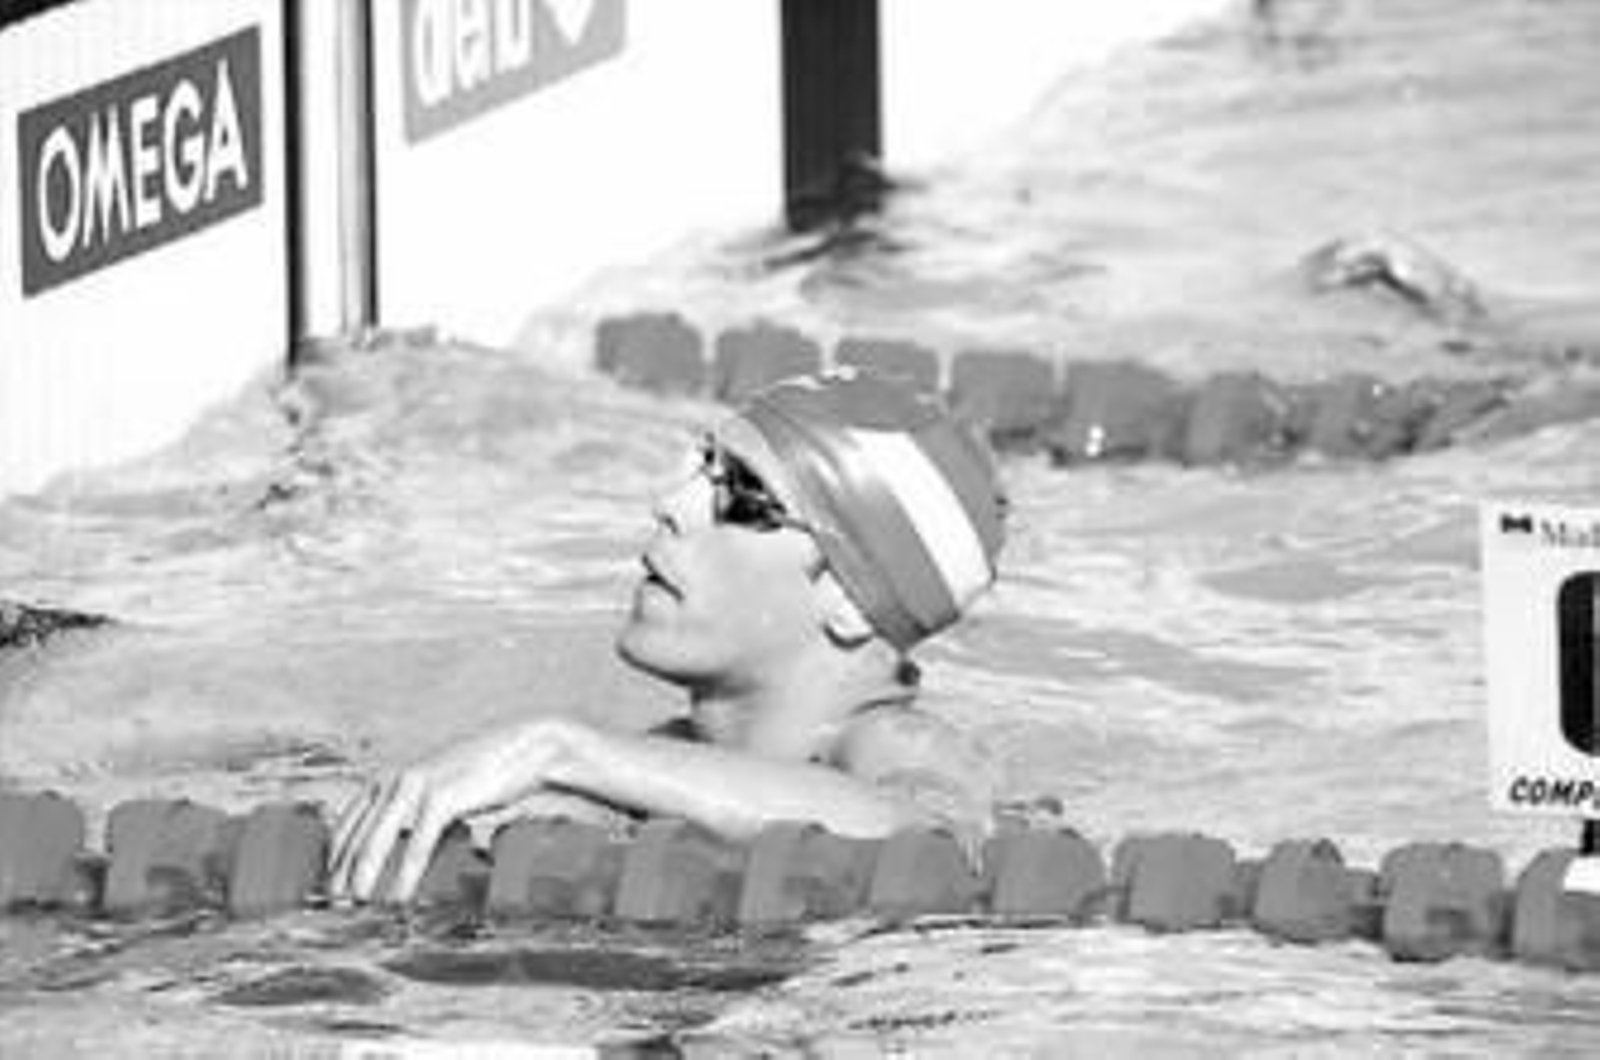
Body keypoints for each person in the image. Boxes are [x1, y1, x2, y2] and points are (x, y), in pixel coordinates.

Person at [329, 368, 1009, 904]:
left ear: (851, 600)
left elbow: (924, 840)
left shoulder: (894, 744)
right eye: (699, 467)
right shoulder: (665, 758)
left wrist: (557, 746)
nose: (671, 506)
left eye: (742, 496)